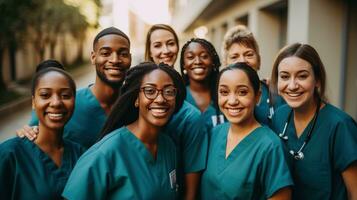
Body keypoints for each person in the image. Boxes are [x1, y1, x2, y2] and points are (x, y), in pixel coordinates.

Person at [62, 62, 185, 199]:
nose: (161, 99)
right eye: (150, 91)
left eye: (169, 92)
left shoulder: (169, 147)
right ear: (136, 99)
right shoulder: (105, 154)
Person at [18, 27, 132, 149]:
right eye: (105, 53)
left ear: (130, 58)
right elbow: (31, 138)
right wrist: (24, 132)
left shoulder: (136, 105)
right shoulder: (64, 105)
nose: (115, 60)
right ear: (93, 57)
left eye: (123, 54)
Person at [270, 43, 357, 200]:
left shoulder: (340, 125)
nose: (292, 85)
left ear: (317, 80)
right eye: (284, 76)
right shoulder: (278, 117)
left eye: (302, 76)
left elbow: (355, 192)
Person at [201, 62, 293, 199]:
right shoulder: (214, 134)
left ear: (257, 96)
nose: (232, 101)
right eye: (224, 92)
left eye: (242, 92)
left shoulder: (270, 146)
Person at [0, 66, 84, 199]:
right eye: (45, 95)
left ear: (74, 101)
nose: (56, 103)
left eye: (65, 95)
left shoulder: (81, 155)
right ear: (33, 102)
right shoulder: (8, 155)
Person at [145, 24, 208, 199]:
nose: (165, 50)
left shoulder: (190, 113)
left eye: (170, 43)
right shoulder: (136, 95)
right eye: (157, 45)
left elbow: (192, 169)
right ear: (149, 51)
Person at [222, 25, 285, 126]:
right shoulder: (221, 99)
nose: (242, 60)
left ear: (259, 61)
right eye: (234, 56)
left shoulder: (277, 93)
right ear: (225, 64)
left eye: (249, 54)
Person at [180, 38, 224, 128]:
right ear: (183, 64)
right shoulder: (178, 97)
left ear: (213, 62)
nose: (198, 62)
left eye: (204, 56)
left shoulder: (224, 94)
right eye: (190, 57)